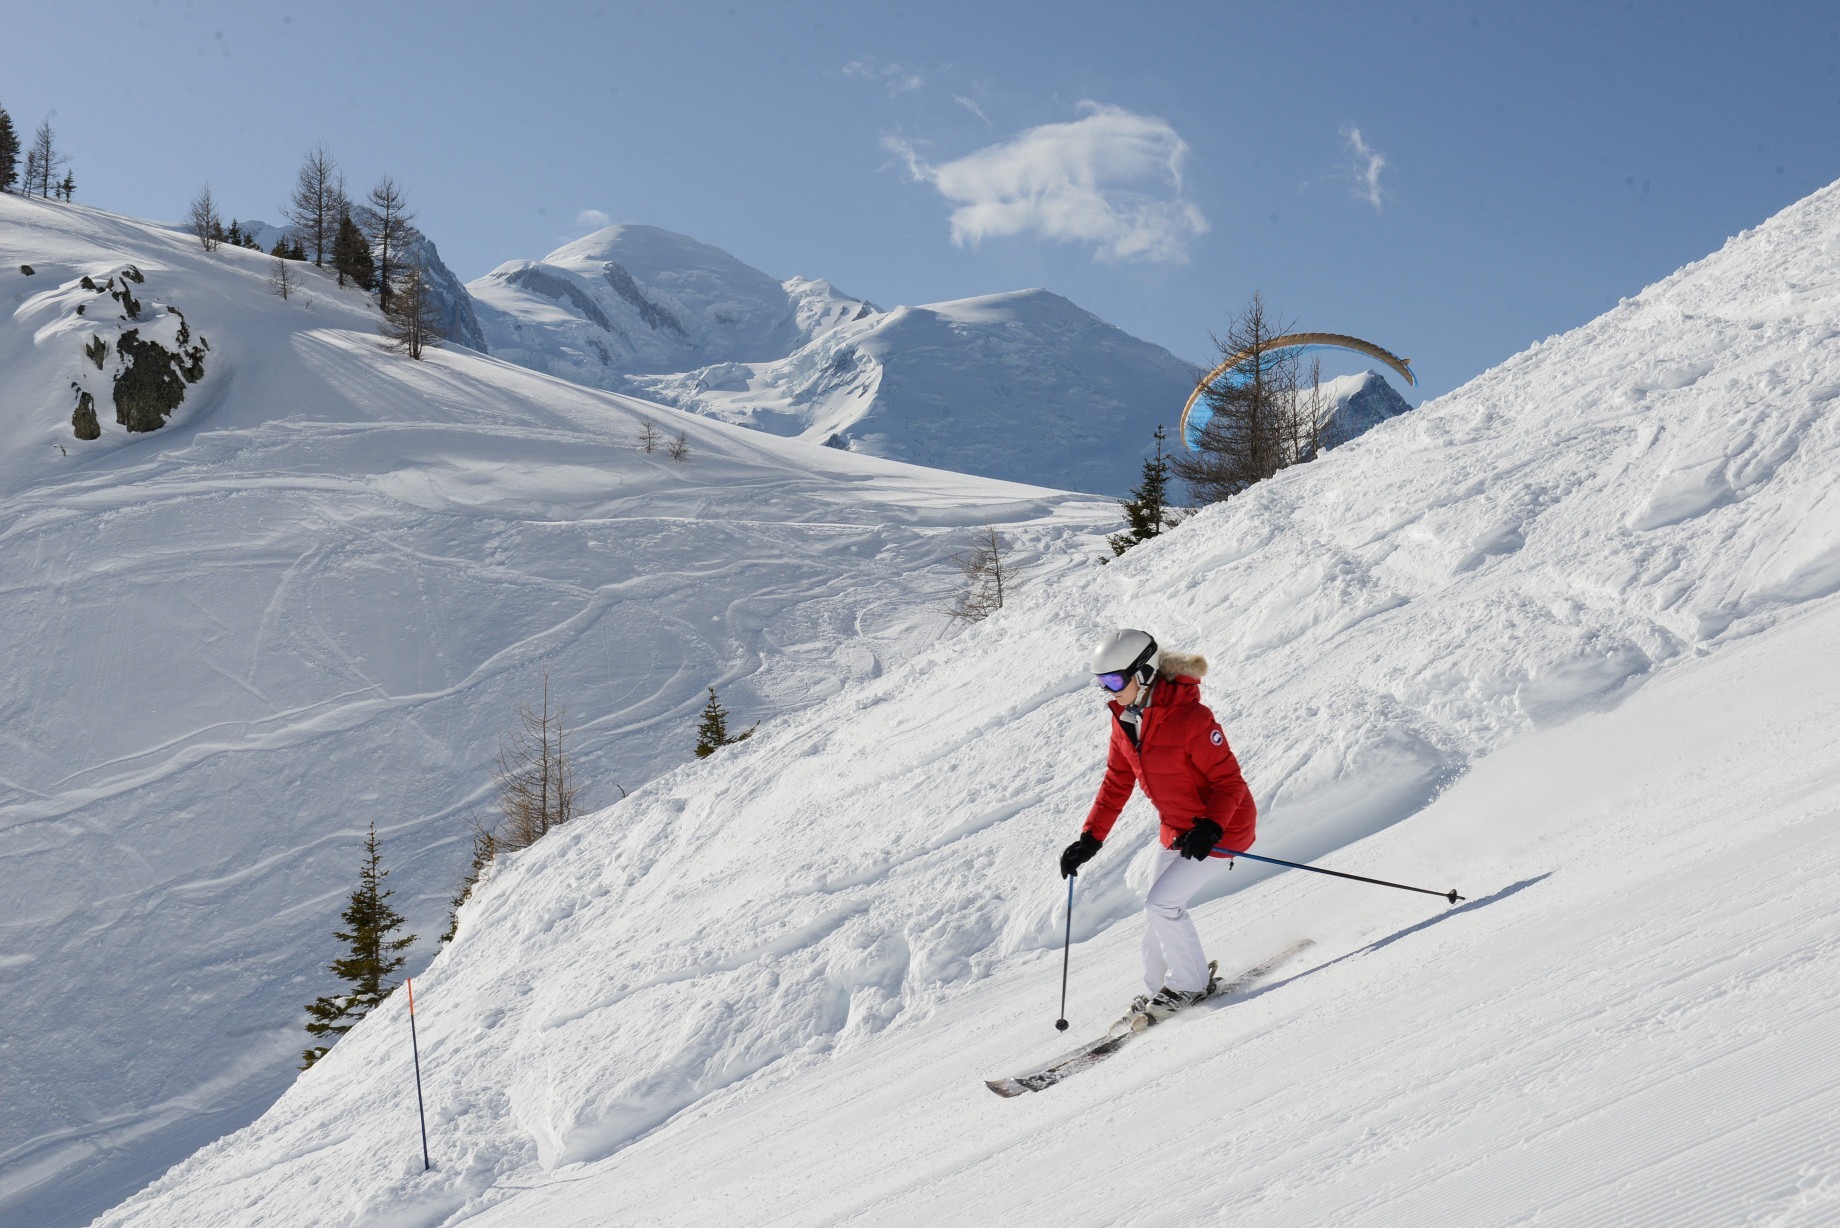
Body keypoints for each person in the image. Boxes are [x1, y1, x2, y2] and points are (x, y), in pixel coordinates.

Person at [1059, 628, 1257, 1022]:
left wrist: (1211, 828)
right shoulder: (1124, 720)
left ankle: (1189, 984)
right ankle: (1157, 991)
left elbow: (1229, 783)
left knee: (1162, 904)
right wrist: (1089, 839)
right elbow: (1117, 780)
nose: (1108, 691)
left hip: (1223, 828)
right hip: (1177, 830)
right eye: (1102, 683)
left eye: (1115, 680)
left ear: (1144, 672)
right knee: (1155, 910)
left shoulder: (1192, 718)